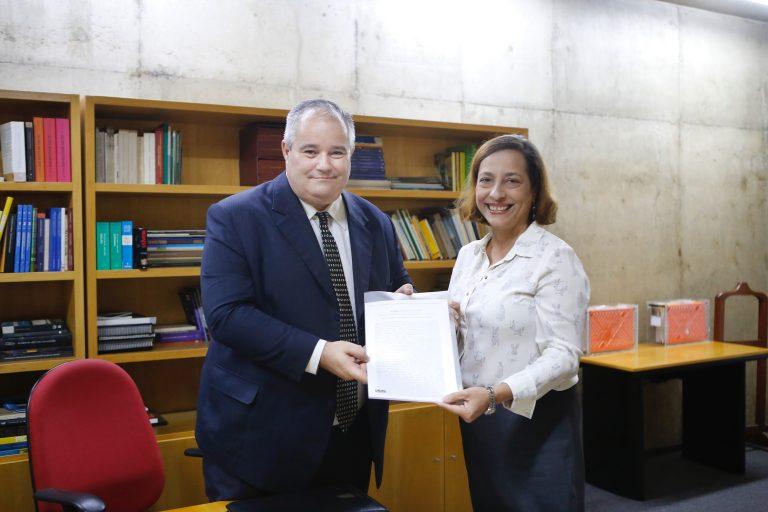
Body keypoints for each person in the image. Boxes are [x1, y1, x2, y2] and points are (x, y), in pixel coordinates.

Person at [196, 99, 413, 500]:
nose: (324, 165)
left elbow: (398, 287)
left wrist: (416, 312)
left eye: (337, 152)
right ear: (286, 151)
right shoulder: (236, 217)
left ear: (351, 155)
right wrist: (319, 353)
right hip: (262, 437)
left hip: (351, 431)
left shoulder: (376, 222)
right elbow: (227, 316)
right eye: (310, 151)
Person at [438, 134, 590, 511]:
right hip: (478, 421)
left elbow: (564, 356)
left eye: (512, 180)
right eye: (486, 180)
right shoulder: (469, 255)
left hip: (536, 422)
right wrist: (432, 320)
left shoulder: (554, 258)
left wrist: (496, 394)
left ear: (534, 190)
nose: (496, 193)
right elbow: (466, 339)